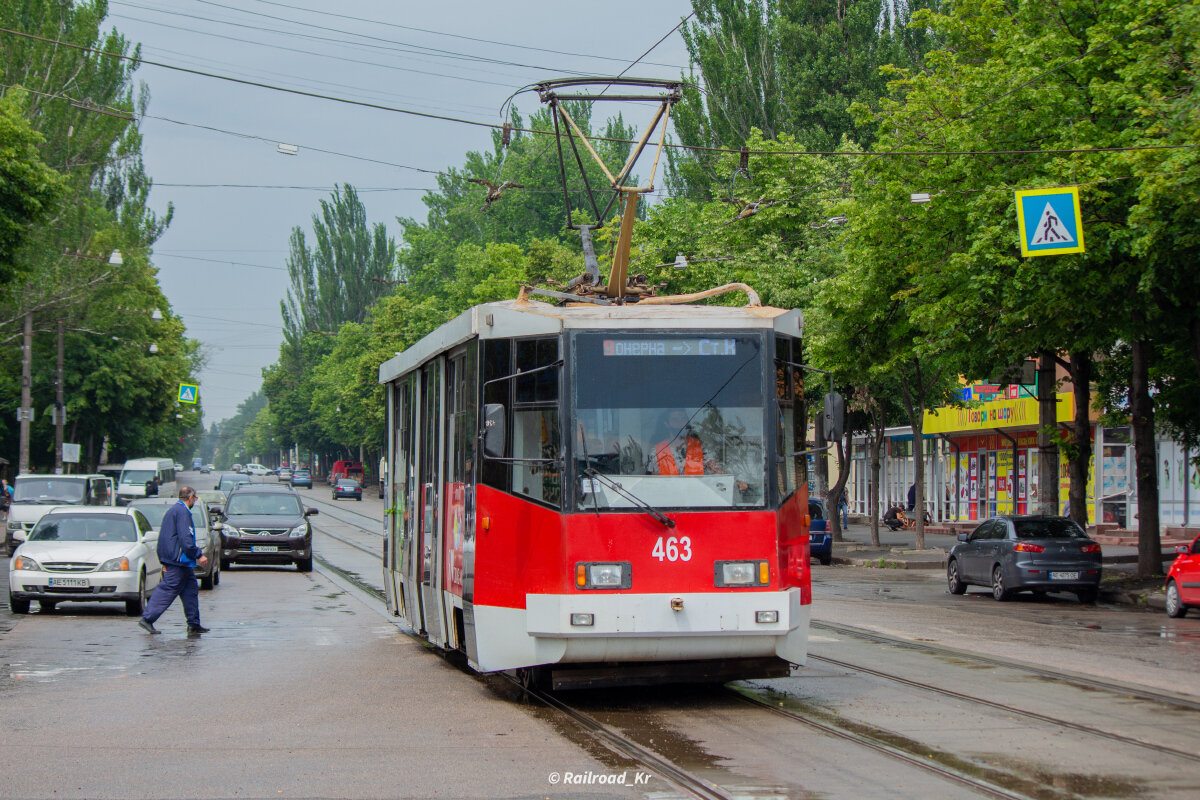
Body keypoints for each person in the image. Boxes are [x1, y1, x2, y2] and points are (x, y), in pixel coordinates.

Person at [139, 486, 209, 635]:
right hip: (178, 561)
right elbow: (185, 538)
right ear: (190, 497)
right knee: (168, 589)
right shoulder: (183, 512)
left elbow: (163, 538)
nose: (194, 501)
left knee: (190, 590)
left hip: (177, 561)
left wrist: (163, 559)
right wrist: (198, 554)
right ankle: (147, 618)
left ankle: (193, 624)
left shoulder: (173, 511)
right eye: (194, 499)